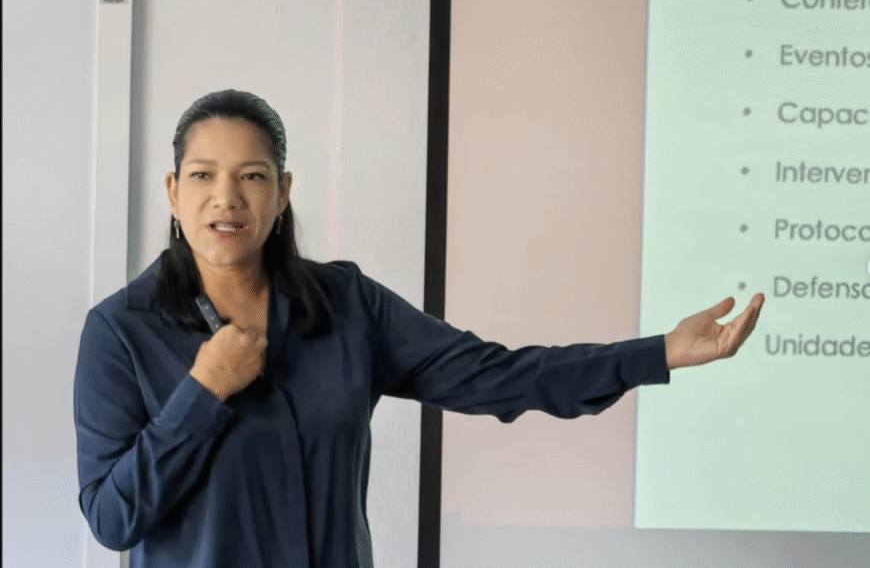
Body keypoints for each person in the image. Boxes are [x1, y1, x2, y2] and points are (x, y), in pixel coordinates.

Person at [74, 89, 764, 568]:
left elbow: (497, 375)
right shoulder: (119, 332)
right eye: (203, 175)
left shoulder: (346, 305)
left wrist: (660, 353)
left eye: (252, 176)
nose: (226, 197)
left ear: (283, 192)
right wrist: (202, 392)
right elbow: (112, 518)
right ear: (173, 191)